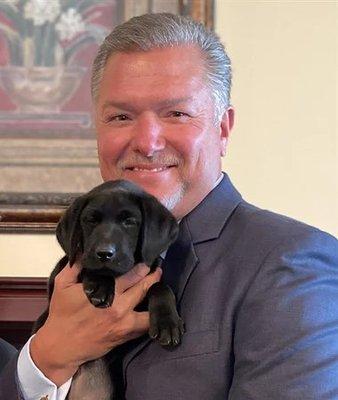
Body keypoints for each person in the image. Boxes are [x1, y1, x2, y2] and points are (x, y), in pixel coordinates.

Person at [1, 12, 338, 400]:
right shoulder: (77, 267)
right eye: (121, 116)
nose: (146, 141)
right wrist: (47, 360)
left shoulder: (293, 264)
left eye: (176, 113)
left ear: (223, 129)